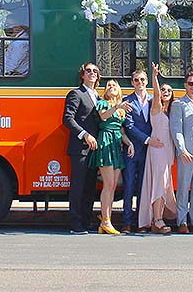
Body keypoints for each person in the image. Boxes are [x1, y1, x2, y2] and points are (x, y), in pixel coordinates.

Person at [90, 80, 135, 235]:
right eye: (108, 86)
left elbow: (121, 131)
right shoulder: (103, 104)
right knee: (108, 184)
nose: (111, 87)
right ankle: (105, 220)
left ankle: (105, 220)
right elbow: (103, 117)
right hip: (106, 141)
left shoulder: (121, 110)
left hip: (116, 143)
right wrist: (116, 106)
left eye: (114, 86)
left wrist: (129, 144)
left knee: (114, 185)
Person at [62, 63, 101, 234]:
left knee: (90, 187)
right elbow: (67, 119)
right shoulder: (76, 94)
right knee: (78, 186)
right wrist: (84, 134)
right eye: (88, 71)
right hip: (80, 148)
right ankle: (75, 224)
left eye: (95, 71)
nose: (92, 73)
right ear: (82, 75)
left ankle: (86, 220)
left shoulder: (98, 97)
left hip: (94, 149)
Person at [138, 64, 177, 234]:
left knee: (165, 183)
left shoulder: (172, 111)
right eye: (163, 90)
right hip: (158, 148)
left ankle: (158, 216)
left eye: (169, 90)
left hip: (168, 149)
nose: (165, 92)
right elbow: (155, 93)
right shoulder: (156, 108)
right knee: (159, 183)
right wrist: (154, 77)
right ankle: (157, 219)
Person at [169, 68, 193, 233]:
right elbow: (176, 128)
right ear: (185, 85)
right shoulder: (179, 104)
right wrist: (182, 150)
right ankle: (182, 221)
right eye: (191, 84)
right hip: (187, 152)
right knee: (183, 187)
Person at [120, 68, 158, 233]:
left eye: (142, 79)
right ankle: (127, 222)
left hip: (149, 151)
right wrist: (147, 139)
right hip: (132, 149)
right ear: (132, 83)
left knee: (144, 186)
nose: (140, 83)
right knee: (128, 186)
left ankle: (142, 221)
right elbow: (128, 125)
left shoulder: (152, 100)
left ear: (147, 81)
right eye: (137, 80)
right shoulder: (127, 101)